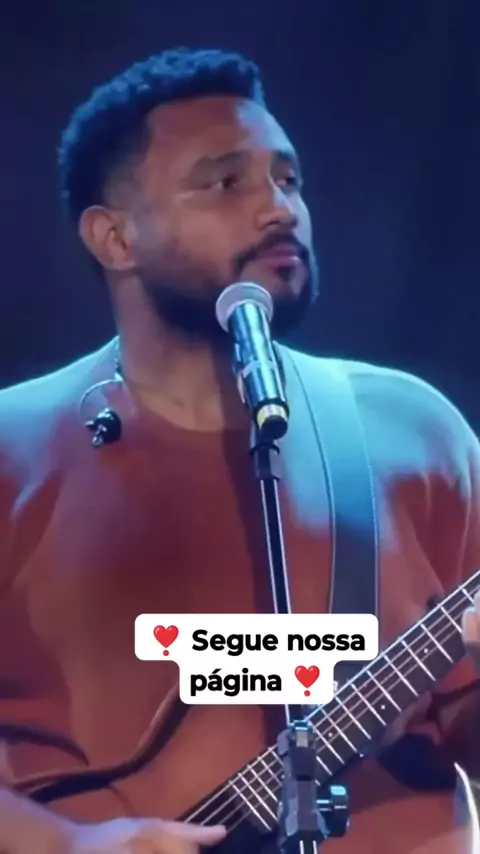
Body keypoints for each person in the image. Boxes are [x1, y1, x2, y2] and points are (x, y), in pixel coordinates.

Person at [0, 46, 480, 854]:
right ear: (114, 237)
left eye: (288, 179)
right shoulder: (12, 450)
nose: (277, 209)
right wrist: (67, 845)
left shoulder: (414, 432)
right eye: (225, 184)